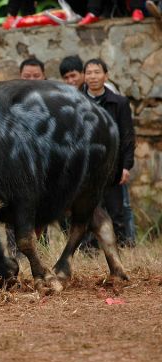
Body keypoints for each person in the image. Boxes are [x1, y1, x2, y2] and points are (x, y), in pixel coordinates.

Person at [84, 58, 135, 246]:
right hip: (86, 167)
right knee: (86, 210)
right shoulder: (77, 101)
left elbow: (128, 136)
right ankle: (89, 253)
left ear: (106, 75)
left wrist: (126, 166)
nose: (92, 76)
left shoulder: (119, 103)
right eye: (88, 72)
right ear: (84, 76)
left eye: (97, 72)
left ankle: (121, 249)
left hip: (113, 165)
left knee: (116, 212)